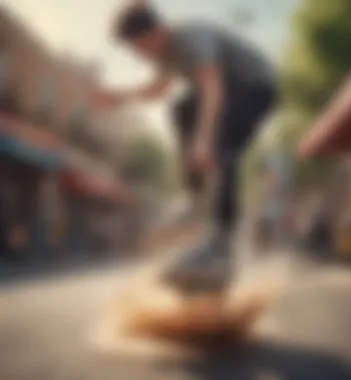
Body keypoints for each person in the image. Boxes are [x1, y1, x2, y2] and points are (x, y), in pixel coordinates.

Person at [99, 2, 277, 293]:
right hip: (229, 89)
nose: (137, 55)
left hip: (256, 86)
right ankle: (194, 199)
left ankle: (221, 241)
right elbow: (159, 89)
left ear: (153, 33)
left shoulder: (193, 36)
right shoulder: (164, 55)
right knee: (180, 109)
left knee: (221, 146)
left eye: (138, 47)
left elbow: (213, 86)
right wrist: (120, 98)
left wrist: (203, 141)